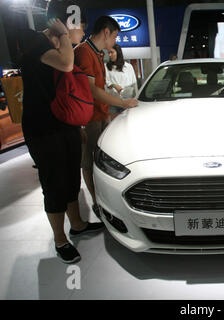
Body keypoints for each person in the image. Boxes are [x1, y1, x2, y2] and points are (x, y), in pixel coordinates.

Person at [18, 0, 103, 264]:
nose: (81, 37)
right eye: (80, 31)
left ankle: (77, 223)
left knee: (70, 178)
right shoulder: (36, 43)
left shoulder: (58, 45)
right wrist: (66, 35)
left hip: (64, 125)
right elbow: (67, 64)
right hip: (43, 128)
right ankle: (60, 239)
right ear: (67, 25)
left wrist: (76, 128)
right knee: (53, 183)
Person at [74, 16, 138, 217]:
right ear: (106, 32)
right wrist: (123, 103)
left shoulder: (95, 53)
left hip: (101, 115)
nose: (115, 41)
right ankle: (96, 202)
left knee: (101, 161)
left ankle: (101, 199)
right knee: (89, 162)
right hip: (89, 118)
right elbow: (93, 90)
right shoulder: (84, 53)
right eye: (115, 36)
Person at [105, 44, 138, 118]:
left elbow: (134, 83)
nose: (110, 55)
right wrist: (113, 85)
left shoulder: (128, 67)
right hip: (113, 102)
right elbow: (105, 81)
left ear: (118, 53)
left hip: (128, 102)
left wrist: (136, 98)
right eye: (108, 53)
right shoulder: (106, 67)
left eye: (112, 52)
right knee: (114, 125)